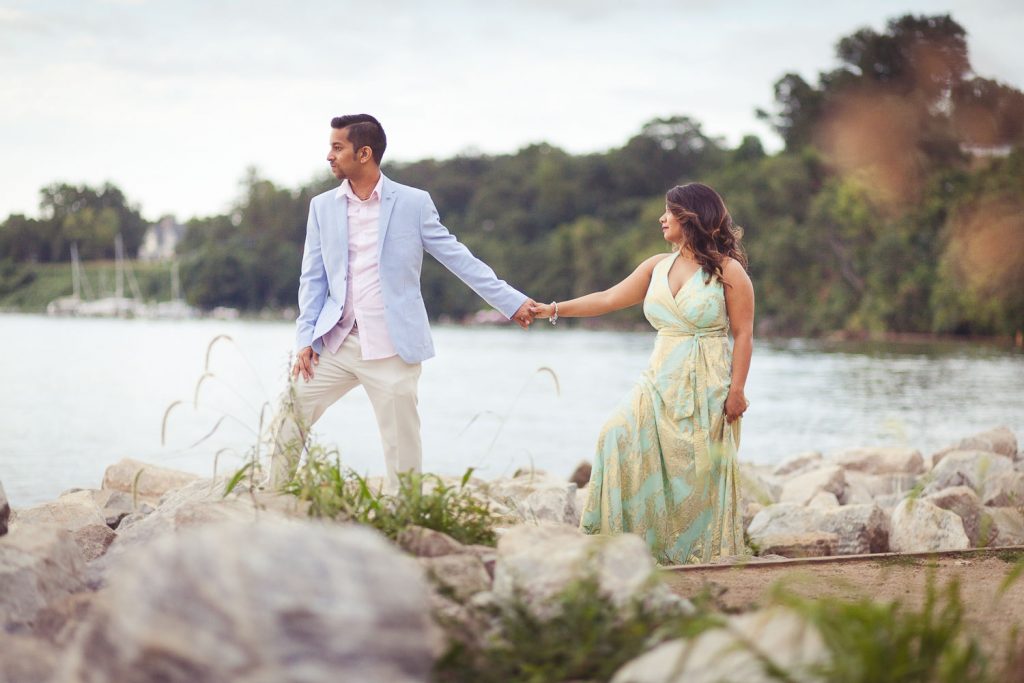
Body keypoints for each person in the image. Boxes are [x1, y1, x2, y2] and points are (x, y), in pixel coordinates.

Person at [266, 114, 536, 489]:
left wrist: (512, 302)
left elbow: (458, 258)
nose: (329, 155)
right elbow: (312, 278)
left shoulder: (413, 203)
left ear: (364, 153)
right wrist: (305, 339)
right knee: (290, 412)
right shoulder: (322, 207)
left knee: (401, 447)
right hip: (335, 341)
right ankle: (271, 495)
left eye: (337, 147)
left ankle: (404, 516)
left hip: (393, 346)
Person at [530, 183, 753, 564]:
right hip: (659, 377)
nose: (662, 218)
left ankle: (697, 555)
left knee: (698, 469)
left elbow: (743, 333)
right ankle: (625, 544)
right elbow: (607, 299)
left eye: (670, 212)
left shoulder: (728, 271)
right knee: (615, 434)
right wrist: (550, 309)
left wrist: (737, 390)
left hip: (707, 381)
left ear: (691, 217)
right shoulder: (656, 266)